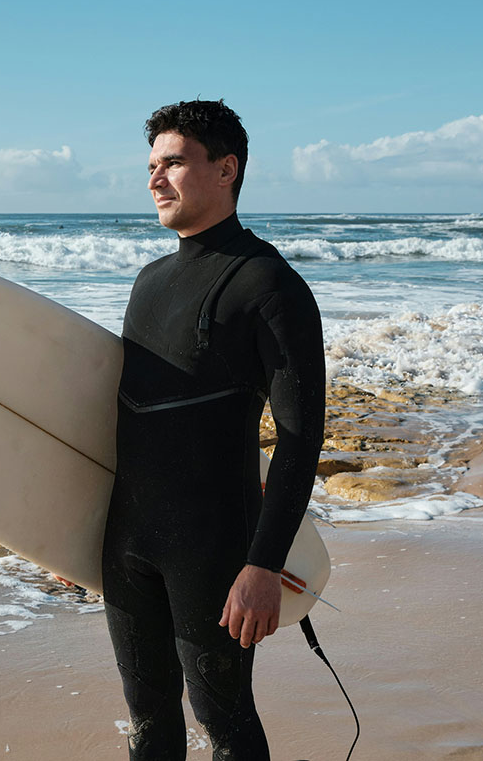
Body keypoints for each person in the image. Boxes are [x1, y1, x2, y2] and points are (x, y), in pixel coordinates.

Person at [102, 99, 325, 760]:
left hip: (213, 547)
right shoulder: (149, 282)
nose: (154, 178)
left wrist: (263, 564)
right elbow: (120, 415)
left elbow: (299, 437)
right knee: (148, 721)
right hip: (128, 544)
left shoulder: (268, 285)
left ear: (226, 169)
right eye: (150, 165)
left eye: (173, 162)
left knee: (222, 722)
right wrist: (64, 524)